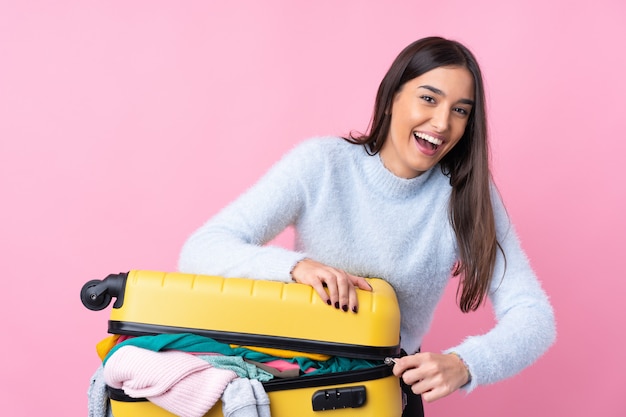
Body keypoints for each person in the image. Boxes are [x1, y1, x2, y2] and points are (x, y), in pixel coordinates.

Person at [178, 36, 556, 416]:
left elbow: (535, 316)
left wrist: (466, 363)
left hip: (385, 396)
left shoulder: (467, 195)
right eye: (429, 98)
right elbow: (201, 249)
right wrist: (295, 268)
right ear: (393, 97)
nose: (442, 123)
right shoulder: (322, 164)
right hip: (299, 386)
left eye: (460, 110)